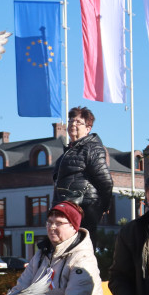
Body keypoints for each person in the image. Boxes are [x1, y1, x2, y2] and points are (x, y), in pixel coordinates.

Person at [1, 200, 113, 295]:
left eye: (59, 223)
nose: (52, 227)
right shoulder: (42, 254)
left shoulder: (83, 258)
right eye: (49, 222)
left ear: (74, 227)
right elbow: (20, 290)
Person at [52, 106, 114, 249]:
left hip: (83, 209)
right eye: (70, 121)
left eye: (78, 122)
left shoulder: (92, 148)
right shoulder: (69, 151)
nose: (73, 124)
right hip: (67, 208)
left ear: (88, 128)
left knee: (80, 250)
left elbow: (105, 180)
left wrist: (102, 207)